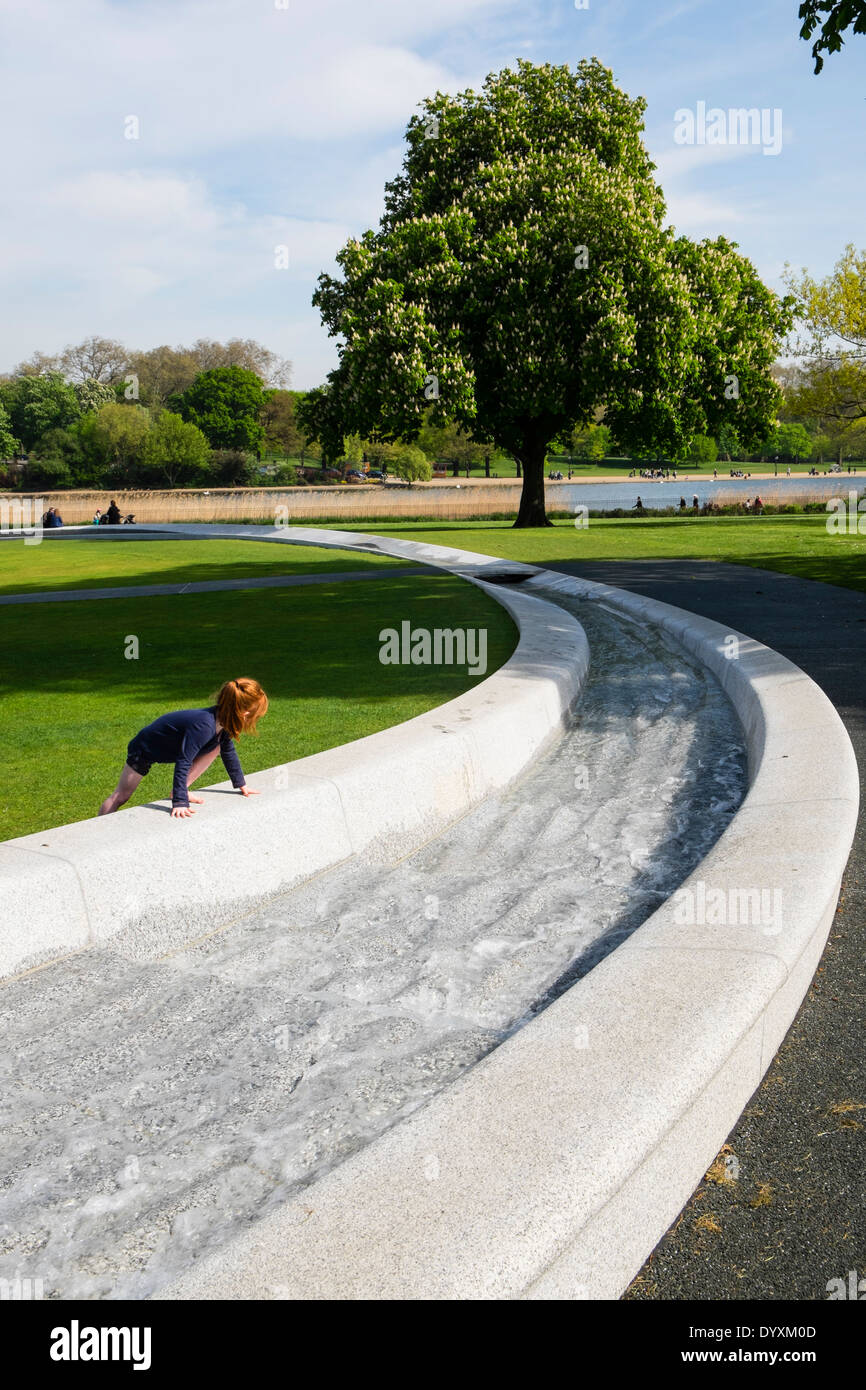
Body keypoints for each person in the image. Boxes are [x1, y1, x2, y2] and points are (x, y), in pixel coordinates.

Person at [98, 678, 269, 819]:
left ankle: (181, 790)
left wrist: (241, 784)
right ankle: (97, 830)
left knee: (218, 747)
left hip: (168, 748)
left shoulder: (222, 722)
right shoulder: (204, 725)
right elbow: (184, 760)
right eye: (256, 715)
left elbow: (228, 752)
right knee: (121, 796)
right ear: (244, 713)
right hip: (144, 749)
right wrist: (180, 802)